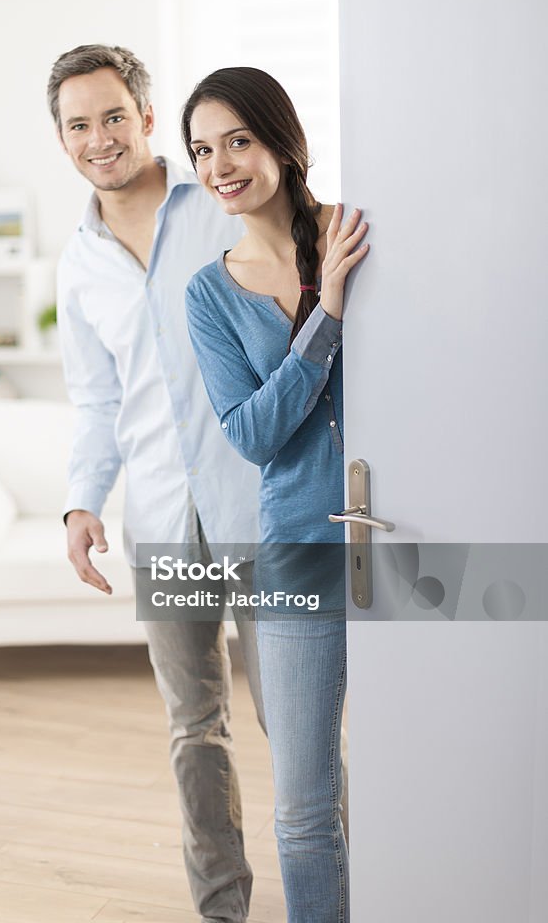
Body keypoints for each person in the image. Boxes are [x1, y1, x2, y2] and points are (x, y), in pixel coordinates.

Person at [48, 45, 264, 923]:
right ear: (60, 140)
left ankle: (341, 897)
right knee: (195, 730)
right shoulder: (79, 265)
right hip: (164, 525)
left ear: (144, 117)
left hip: (257, 504)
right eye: (77, 125)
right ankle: (223, 910)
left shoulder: (220, 205)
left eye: (111, 117)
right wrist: (80, 501)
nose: (98, 139)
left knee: (295, 732)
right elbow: (97, 401)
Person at [182, 66, 370, 923]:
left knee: (421, 779)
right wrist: (324, 314)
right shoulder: (208, 293)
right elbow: (253, 436)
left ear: (281, 140)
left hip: (401, 534)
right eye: (201, 149)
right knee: (303, 805)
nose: (220, 164)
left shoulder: (354, 233)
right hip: (297, 551)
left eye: (238, 140)